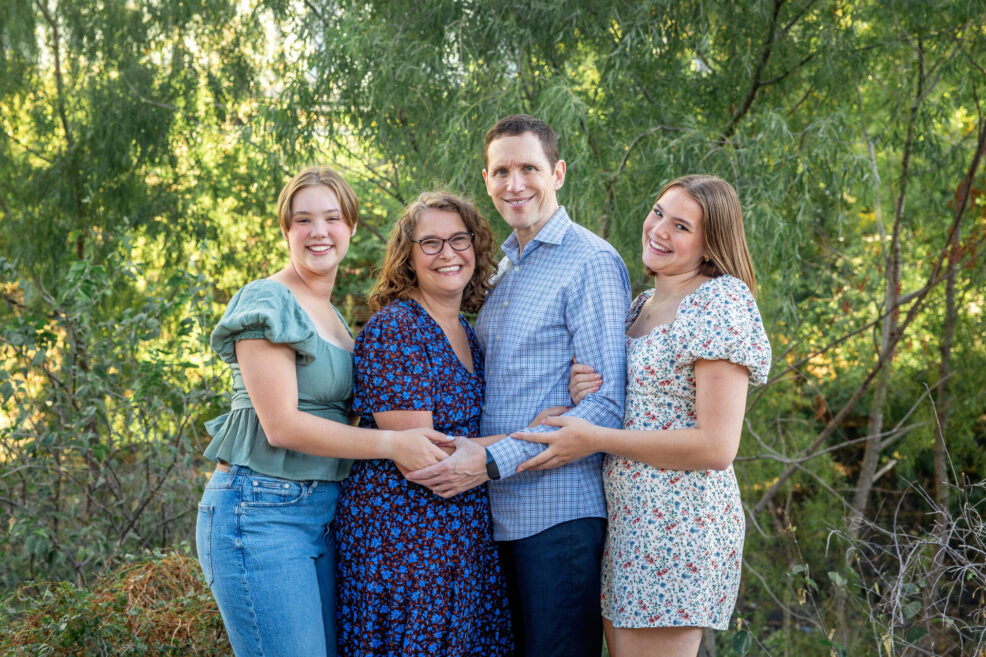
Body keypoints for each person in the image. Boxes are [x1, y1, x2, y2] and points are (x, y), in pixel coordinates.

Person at [513, 175, 772, 657]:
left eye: (680, 226)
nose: (658, 230)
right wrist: (583, 393)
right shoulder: (642, 305)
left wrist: (597, 438)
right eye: (658, 213)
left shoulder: (720, 302)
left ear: (710, 243)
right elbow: (644, 405)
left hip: (679, 524)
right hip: (629, 521)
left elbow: (717, 447)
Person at [195, 167, 449, 657]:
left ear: (351, 227)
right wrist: (393, 445)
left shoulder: (331, 315)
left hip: (321, 513)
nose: (319, 232)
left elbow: (343, 419)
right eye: (303, 219)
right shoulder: (267, 299)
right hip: (260, 512)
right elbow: (282, 425)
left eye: (332, 218)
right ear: (285, 230)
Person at [407, 115, 632, 657]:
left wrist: (486, 462)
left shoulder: (591, 261)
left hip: (558, 518)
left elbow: (605, 406)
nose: (515, 184)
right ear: (485, 178)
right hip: (494, 517)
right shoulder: (505, 271)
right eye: (502, 170)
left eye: (528, 168)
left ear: (556, 173)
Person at [334, 191, 513, 657]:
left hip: (458, 541)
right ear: (408, 257)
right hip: (403, 546)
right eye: (430, 243)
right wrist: (532, 435)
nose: (448, 253)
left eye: (459, 239)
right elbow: (429, 459)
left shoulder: (468, 332)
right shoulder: (398, 328)